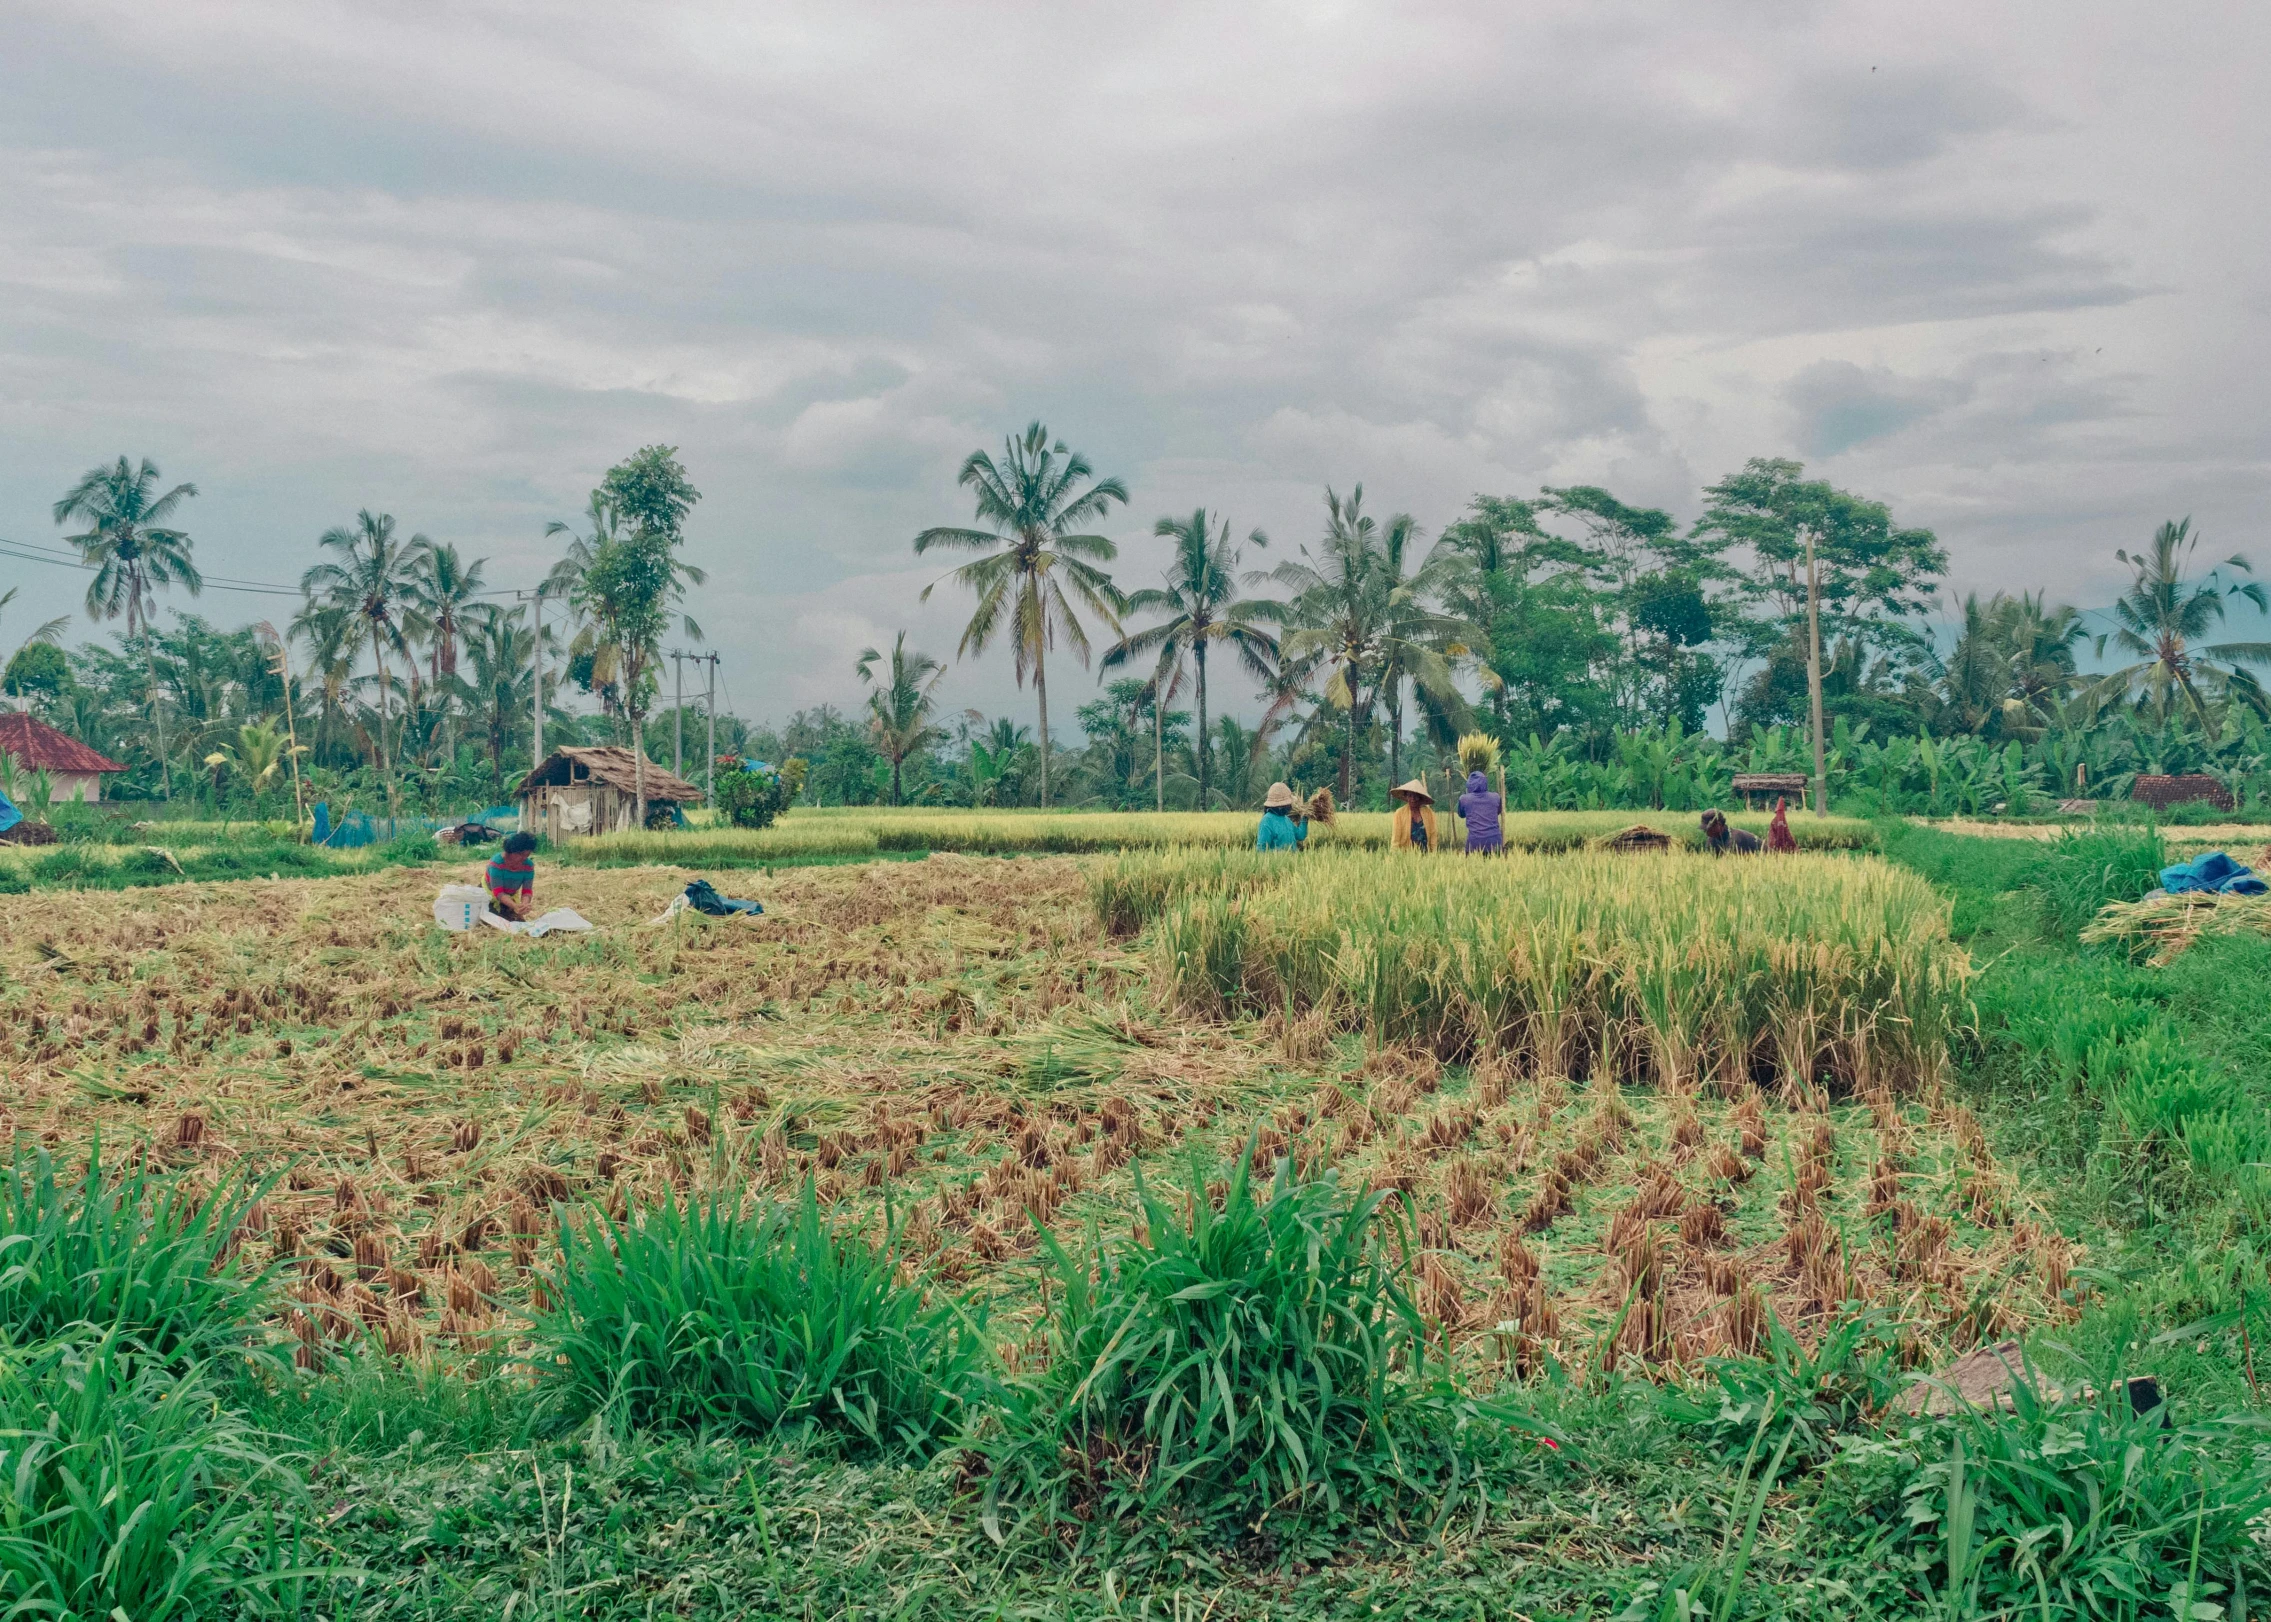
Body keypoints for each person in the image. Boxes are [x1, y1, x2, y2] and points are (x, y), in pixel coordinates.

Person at [486, 830, 538, 918]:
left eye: (527, 855)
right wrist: (514, 906)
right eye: (520, 854)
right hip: (490, 894)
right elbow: (498, 892)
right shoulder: (497, 863)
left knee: (517, 921)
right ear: (510, 851)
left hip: (509, 896)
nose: (524, 858)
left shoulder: (528, 866)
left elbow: (527, 890)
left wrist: (524, 904)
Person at [1457, 769, 1503, 854]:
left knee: (1472, 867)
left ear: (1469, 785)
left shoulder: (1464, 799)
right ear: (1485, 783)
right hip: (1495, 842)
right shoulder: (1496, 797)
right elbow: (1497, 812)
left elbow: (1461, 814)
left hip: (1474, 842)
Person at [1256, 782, 1308, 852]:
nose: (1290, 806)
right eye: (1288, 804)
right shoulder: (1266, 821)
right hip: (1276, 862)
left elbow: (1300, 835)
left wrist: (1305, 818)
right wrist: (1281, 853)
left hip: (1293, 862)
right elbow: (1261, 850)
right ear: (1280, 806)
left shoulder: (1286, 819)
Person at [1389, 779, 1439, 852]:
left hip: (1426, 855)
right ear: (1406, 796)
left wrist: (1434, 854)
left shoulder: (1429, 813)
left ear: (1420, 797)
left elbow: (1433, 836)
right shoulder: (1399, 813)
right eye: (1410, 795)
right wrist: (1393, 856)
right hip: (1406, 855)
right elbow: (1395, 839)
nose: (1413, 799)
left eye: (1416, 796)